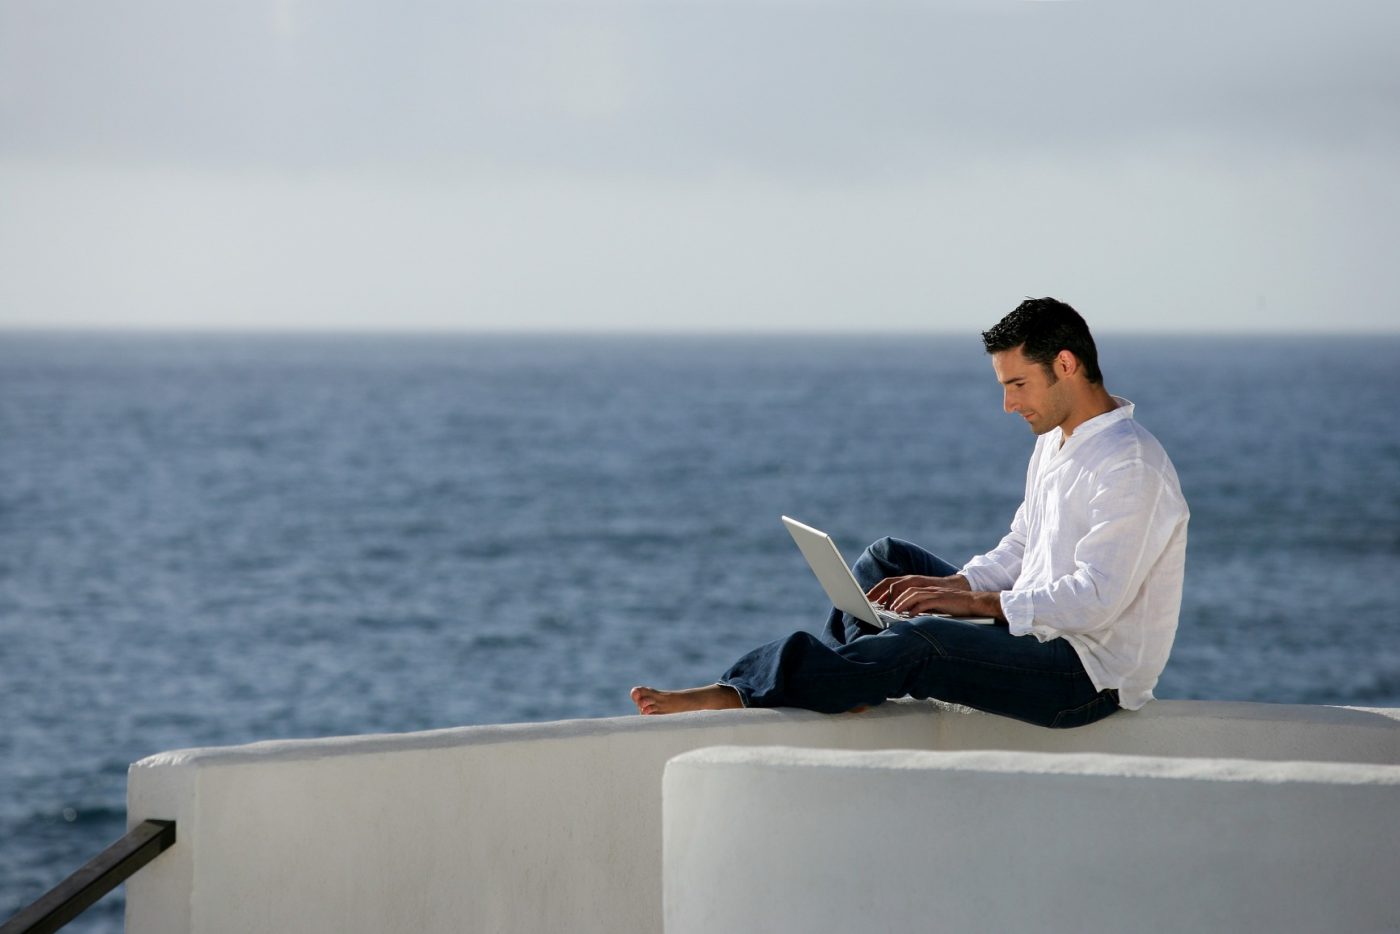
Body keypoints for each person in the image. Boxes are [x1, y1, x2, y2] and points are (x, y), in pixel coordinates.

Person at [631, 297, 1189, 728]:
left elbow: (1095, 600)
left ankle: (743, 690)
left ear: (1065, 364)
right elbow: (1023, 547)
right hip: (1035, 635)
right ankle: (850, 678)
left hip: (1084, 677)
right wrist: (955, 584)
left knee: (925, 639)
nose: (1009, 404)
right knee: (887, 561)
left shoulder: (1130, 464)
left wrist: (972, 604)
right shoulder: (1056, 441)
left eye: (1018, 384)